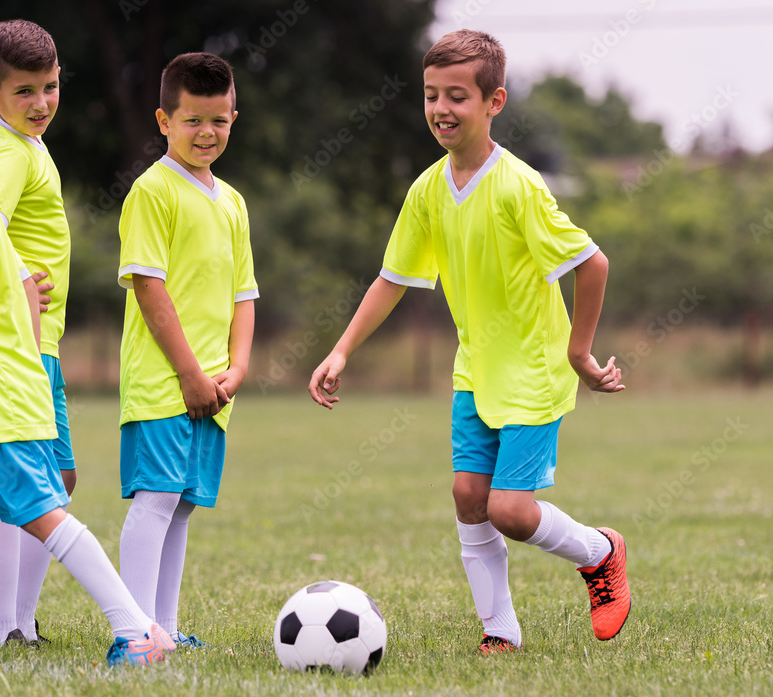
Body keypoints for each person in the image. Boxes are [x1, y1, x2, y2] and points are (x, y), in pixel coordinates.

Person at [308, 29, 630, 653]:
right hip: (475, 368)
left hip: (534, 369)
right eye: (430, 95)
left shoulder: (519, 186)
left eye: (457, 96)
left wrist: (580, 353)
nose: (440, 109)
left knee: (510, 510)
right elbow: (392, 278)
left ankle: (601, 551)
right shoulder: (428, 189)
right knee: (467, 497)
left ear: (494, 103)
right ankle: (499, 633)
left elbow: (593, 263)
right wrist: (341, 349)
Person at [0, 65, 174, 667]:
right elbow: (19, 280)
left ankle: (135, 629)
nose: (42, 101)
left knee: (45, 516)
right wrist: (26, 305)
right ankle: (10, 626)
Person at [116, 52, 257, 648]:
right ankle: (132, 633)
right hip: (164, 381)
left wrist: (238, 367)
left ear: (233, 118)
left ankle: (165, 631)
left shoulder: (232, 201)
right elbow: (149, 287)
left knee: (180, 505)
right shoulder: (152, 192)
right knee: (155, 497)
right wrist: (190, 372)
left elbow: (245, 293)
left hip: (214, 385)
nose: (207, 133)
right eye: (193, 120)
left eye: (219, 121)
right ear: (163, 120)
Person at [0, 18, 74, 649]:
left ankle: (22, 622)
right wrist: (18, 291)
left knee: (56, 480)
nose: (41, 103)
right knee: (15, 482)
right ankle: (1, 628)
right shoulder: (5, 152)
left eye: (51, 87)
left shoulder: (23, 141)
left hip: (40, 344)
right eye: (25, 91)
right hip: (19, 344)